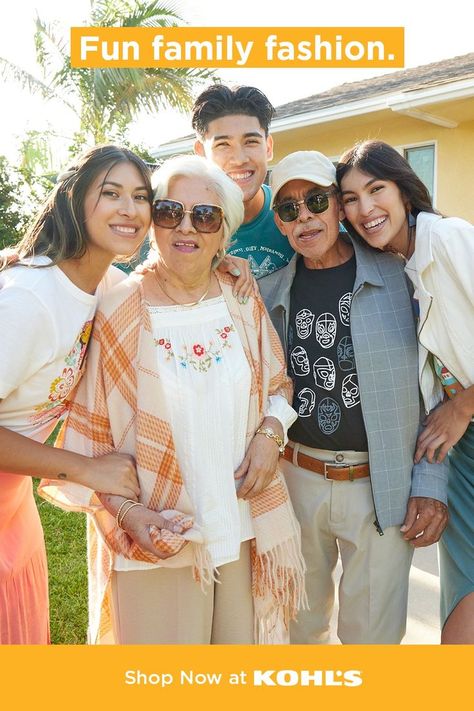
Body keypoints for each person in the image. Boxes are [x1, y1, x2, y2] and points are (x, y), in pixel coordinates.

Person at [41, 154, 306, 645]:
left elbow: (278, 386)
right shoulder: (119, 305)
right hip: (158, 530)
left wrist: (271, 436)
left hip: (240, 525)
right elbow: (94, 436)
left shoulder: (240, 297)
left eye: (204, 216)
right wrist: (126, 514)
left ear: (223, 231)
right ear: (154, 222)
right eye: (169, 212)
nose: (187, 227)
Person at [258, 150, 449, 644]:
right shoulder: (264, 295)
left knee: (373, 641)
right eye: (288, 209)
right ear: (279, 224)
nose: (304, 217)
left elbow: (434, 384)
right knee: (299, 632)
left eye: (316, 201)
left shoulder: (401, 277)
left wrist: (430, 479)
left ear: (339, 209)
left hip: (381, 484)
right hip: (296, 477)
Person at [0, 144, 160, 645]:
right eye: (111, 193)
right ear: (74, 199)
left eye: (141, 196)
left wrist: (227, 270)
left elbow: (167, 292)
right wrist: (86, 469)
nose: (130, 210)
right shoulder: (30, 299)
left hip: (13, 507)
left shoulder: (104, 284)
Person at [336, 139, 474, 644]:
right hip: (464, 455)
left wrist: (465, 404)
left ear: (405, 191)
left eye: (376, 190)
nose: (365, 208)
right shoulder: (395, 268)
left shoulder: (449, 240)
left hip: (467, 421)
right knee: (462, 608)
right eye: (350, 199)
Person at [192, 84, 294, 279]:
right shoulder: (184, 226)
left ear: (268, 147)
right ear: (200, 152)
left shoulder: (299, 213)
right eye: (223, 145)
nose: (239, 159)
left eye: (251, 142)